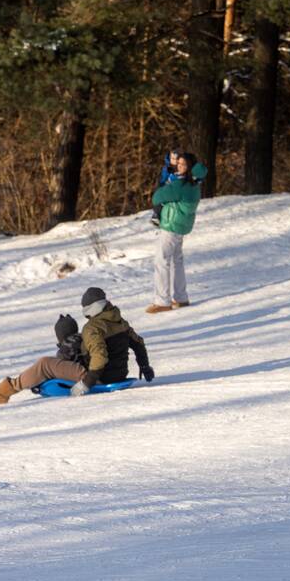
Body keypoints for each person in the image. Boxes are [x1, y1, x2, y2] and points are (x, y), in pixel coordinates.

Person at [0, 314, 91, 405]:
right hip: (90, 372)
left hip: (87, 375)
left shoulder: (69, 344)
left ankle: (3, 392)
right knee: (47, 365)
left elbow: (59, 370)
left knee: (44, 364)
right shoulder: (80, 339)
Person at [148, 152, 207, 314]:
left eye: (183, 164)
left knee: (162, 261)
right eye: (178, 163)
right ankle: (181, 298)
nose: (179, 166)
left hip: (171, 226)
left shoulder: (179, 185)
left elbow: (157, 196)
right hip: (180, 227)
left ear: (190, 168)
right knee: (177, 261)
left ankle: (162, 301)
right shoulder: (194, 184)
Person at [74, 286, 154, 396]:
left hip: (98, 378)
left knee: (46, 363)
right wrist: (144, 366)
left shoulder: (92, 328)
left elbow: (99, 357)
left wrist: (86, 383)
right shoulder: (120, 322)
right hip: (120, 375)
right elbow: (138, 343)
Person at [150, 149, 182, 228]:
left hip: (176, 188)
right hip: (166, 187)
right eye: (173, 159)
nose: (174, 161)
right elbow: (163, 179)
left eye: (176, 159)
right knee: (158, 194)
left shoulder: (181, 167)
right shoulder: (167, 168)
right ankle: (157, 214)